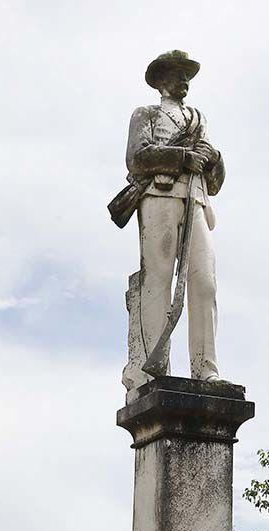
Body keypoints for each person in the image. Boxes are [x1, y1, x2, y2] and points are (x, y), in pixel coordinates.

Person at [109, 50, 225, 394]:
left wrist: (213, 159)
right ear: (161, 80)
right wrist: (183, 157)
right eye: (177, 74)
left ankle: (206, 369)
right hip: (159, 198)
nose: (184, 81)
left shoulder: (198, 119)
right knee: (156, 282)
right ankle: (151, 370)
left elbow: (215, 181)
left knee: (205, 284)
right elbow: (137, 158)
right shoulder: (146, 114)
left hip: (196, 200)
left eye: (186, 75)